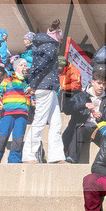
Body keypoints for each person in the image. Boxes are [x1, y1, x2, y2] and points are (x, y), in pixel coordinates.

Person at [23, 19, 66, 163]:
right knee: (40, 121)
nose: (62, 37)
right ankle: (29, 155)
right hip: (45, 87)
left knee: (56, 123)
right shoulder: (51, 48)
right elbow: (43, 68)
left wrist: (32, 84)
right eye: (60, 33)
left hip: (47, 88)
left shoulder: (41, 47)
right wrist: (33, 85)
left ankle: (56, 157)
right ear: (56, 33)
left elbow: (37, 67)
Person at [65, 68, 106, 164]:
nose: (101, 86)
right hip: (82, 126)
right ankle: (72, 159)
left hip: (98, 128)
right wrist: (84, 105)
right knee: (78, 131)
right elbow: (67, 109)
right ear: (92, 82)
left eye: (104, 84)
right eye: (99, 83)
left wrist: (102, 117)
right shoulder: (81, 96)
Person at [0, 58, 32, 164]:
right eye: (21, 65)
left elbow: (31, 95)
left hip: (22, 114)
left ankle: (14, 161)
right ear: (15, 67)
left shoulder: (28, 83)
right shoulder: (8, 80)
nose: (24, 67)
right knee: (2, 137)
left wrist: (32, 100)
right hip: (7, 113)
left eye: (25, 65)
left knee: (18, 138)